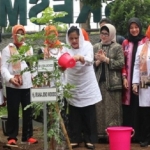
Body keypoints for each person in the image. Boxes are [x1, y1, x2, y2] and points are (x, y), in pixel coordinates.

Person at [61, 26, 102, 149]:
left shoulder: (87, 45)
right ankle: (75, 138)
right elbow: (62, 63)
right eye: (71, 38)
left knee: (88, 113)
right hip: (73, 84)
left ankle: (89, 139)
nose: (74, 41)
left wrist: (80, 57)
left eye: (76, 38)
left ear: (80, 37)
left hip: (87, 84)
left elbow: (90, 60)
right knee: (74, 114)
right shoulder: (65, 48)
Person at [1, 24, 38, 147]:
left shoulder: (29, 48)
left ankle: (28, 136)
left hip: (27, 85)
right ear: (13, 35)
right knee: (13, 111)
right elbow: (3, 68)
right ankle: (12, 137)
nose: (20, 36)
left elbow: (32, 66)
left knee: (28, 111)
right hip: (13, 86)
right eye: (17, 33)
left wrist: (35, 79)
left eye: (22, 33)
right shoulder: (7, 49)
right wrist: (10, 78)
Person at [93, 24, 124, 140]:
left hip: (113, 84)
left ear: (111, 34)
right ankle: (100, 135)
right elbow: (90, 65)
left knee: (113, 111)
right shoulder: (95, 47)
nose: (104, 36)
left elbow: (121, 63)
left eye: (106, 34)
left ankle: (114, 136)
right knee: (99, 109)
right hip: (98, 83)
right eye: (102, 33)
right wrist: (98, 61)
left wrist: (106, 59)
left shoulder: (117, 47)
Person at [122, 17, 147, 142]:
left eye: (136, 27)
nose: (134, 30)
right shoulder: (125, 43)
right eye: (131, 28)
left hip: (143, 81)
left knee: (142, 107)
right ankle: (130, 136)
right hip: (129, 79)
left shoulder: (145, 41)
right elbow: (123, 62)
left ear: (140, 27)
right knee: (130, 107)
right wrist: (124, 77)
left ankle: (142, 135)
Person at [132, 25, 150, 147]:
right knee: (146, 112)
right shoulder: (142, 48)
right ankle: (147, 138)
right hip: (145, 81)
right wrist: (135, 83)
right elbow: (136, 66)